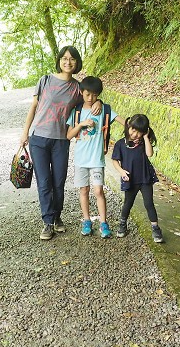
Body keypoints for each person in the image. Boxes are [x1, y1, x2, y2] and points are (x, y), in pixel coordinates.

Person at [20, 46, 101, 241]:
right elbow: (33, 107)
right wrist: (24, 133)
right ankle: (47, 222)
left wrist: (99, 103)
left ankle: (57, 217)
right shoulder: (45, 80)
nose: (68, 62)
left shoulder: (77, 88)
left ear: (77, 63)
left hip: (61, 140)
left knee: (58, 181)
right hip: (38, 138)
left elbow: (90, 100)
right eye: (64, 58)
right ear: (59, 60)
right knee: (44, 181)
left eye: (72, 59)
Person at [66, 76, 124, 239]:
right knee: (84, 190)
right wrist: (81, 124)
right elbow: (68, 135)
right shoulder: (76, 112)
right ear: (81, 93)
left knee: (98, 190)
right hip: (80, 160)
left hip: (97, 159)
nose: (91, 98)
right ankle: (86, 221)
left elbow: (122, 121)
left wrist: (138, 127)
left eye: (94, 95)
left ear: (98, 94)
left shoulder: (104, 109)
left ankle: (103, 223)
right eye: (87, 94)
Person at [111, 114, 164, 243]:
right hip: (130, 179)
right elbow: (115, 161)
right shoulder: (120, 144)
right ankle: (122, 224)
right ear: (129, 127)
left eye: (139, 132)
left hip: (145, 179)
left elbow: (149, 154)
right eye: (133, 130)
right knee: (128, 203)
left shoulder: (143, 143)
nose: (135, 134)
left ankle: (155, 228)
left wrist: (145, 137)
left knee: (149, 204)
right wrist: (121, 172)